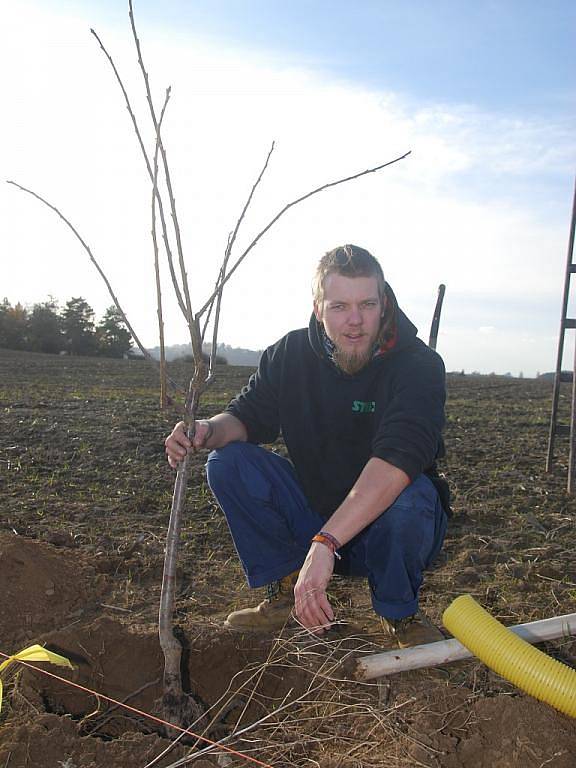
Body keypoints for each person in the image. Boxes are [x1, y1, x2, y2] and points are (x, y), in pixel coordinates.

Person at [165, 244, 449, 647]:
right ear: (318, 308)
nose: (355, 322)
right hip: (314, 512)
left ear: (383, 304)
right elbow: (246, 417)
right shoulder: (290, 355)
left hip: (387, 525)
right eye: (339, 307)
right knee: (227, 462)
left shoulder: (418, 366)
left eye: (367, 304)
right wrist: (206, 431)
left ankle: (398, 613)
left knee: (410, 495)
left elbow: (396, 462)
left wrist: (327, 543)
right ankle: (287, 588)